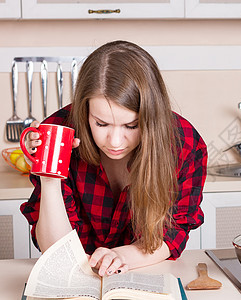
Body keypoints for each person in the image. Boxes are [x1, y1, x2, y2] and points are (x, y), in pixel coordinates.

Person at [20, 40, 208, 277]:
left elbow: (173, 233)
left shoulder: (184, 144)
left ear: (150, 117)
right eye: (101, 123)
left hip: (145, 272)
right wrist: (48, 177)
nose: (115, 141)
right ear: (84, 110)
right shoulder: (58, 132)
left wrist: (120, 256)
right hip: (76, 277)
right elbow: (55, 250)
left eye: (131, 125)